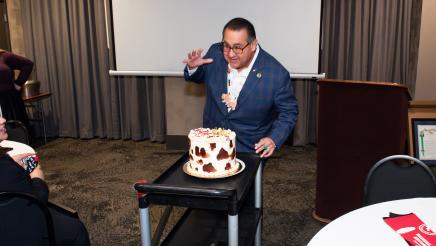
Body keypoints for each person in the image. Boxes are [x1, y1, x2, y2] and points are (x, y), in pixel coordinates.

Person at [183, 18, 298, 158]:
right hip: (212, 140)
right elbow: (200, 76)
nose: (230, 54)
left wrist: (274, 138)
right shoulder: (215, 52)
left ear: (253, 44)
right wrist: (193, 68)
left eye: (237, 47)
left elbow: (289, 112)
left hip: (249, 147)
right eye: (226, 45)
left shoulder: (276, 74)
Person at [0, 117, 90, 245]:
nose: (3, 119)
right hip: (17, 228)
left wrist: (10, 162)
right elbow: (38, 198)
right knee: (76, 229)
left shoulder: (6, 165)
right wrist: (37, 175)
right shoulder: (6, 169)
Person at [0, 49, 33, 129]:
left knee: (16, 131)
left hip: (9, 101)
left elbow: (28, 64)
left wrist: (18, 84)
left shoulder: (4, 56)